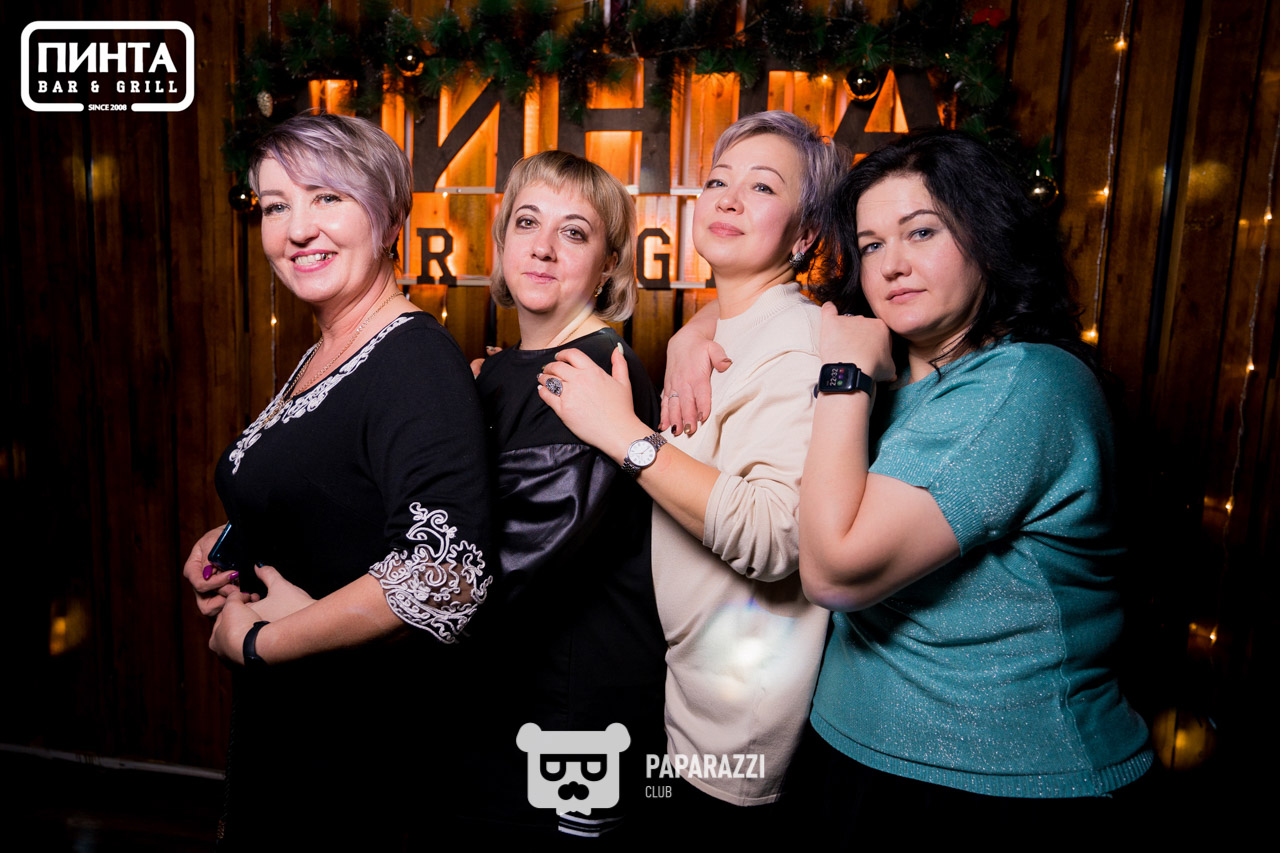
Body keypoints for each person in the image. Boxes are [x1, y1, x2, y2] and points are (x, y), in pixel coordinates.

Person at [797, 129, 1152, 834]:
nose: (892, 264)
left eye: (921, 231)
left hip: (1000, 787)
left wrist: (842, 375)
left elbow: (834, 571)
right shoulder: (898, 383)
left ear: (988, 237)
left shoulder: (1024, 383)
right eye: (871, 245)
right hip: (853, 748)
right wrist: (695, 337)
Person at [181, 113, 490, 850]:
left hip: (358, 754)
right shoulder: (333, 345)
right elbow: (338, 498)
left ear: (386, 219)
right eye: (276, 205)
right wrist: (230, 540)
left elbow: (446, 574)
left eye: (327, 197)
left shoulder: (413, 360)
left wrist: (265, 642)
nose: (296, 229)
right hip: (293, 734)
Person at [536, 112, 850, 837]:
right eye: (717, 181)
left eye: (762, 187)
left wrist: (623, 433)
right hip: (684, 693)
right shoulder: (727, 327)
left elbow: (776, 536)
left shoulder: (798, 345)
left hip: (740, 724)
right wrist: (695, 328)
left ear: (804, 234)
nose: (728, 199)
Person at [467, 150, 666, 840]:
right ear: (502, 239)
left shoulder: (593, 371)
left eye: (574, 232)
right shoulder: (505, 368)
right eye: (527, 222)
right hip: (506, 695)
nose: (543, 247)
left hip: (574, 708)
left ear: (608, 265)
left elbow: (503, 560)